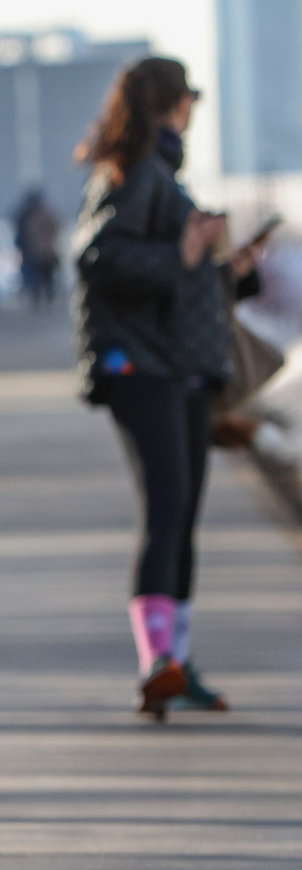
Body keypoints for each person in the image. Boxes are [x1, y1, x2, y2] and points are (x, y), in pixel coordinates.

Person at [71, 56, 260, 718]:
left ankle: (174, 662)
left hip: (177, 365)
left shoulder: (157, 174)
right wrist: (183, 253)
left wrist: (228, 268)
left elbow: (174, 279)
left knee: (181, 514)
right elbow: (98, 256)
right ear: (178, 105)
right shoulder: (137, 173)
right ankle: (157, 661)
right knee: (168, 506)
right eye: (191, 103)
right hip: (141, 366)